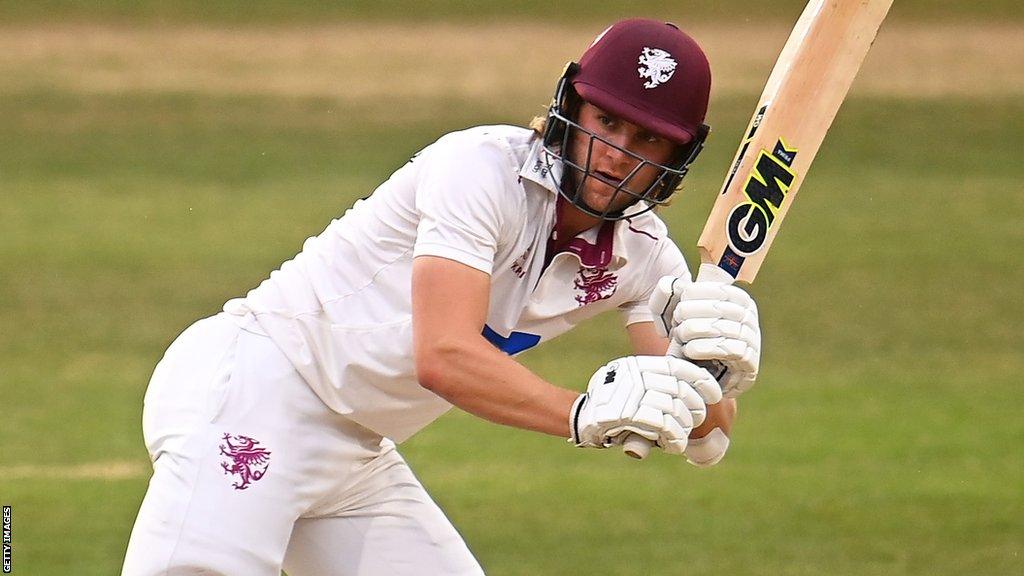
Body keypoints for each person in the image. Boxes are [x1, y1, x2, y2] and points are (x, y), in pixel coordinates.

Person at [121, 18, 761, 576]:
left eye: (647, 139)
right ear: (571, 107)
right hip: (253, 392)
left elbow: (707, 440)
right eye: (607, 121)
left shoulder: (646, 256)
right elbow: (444, 356)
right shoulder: (480, 169)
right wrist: (580, 411)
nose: (618, 154)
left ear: (679, 155)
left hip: (356, 456)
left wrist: (716, 364)